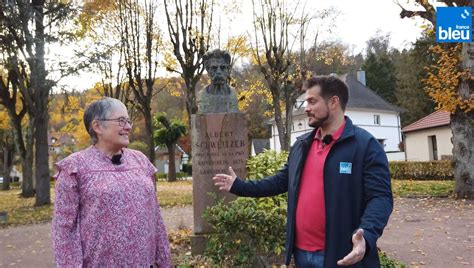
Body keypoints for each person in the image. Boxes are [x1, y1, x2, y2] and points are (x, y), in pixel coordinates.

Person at [213, 75, 393, 267]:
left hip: (341, 256)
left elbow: (381, 198)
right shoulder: (302, 145)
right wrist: (239, 186)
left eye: (312, 101)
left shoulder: (366, 146)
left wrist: (366, 234)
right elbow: (281, 181)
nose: (306, 108)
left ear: (333, 102)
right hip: (301, 254)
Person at [52, 97, 171, 267]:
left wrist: (164, 261)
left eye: (128, 121)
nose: (128, 127)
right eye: (121, 121)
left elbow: (155, 216)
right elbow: (64, 229)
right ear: (98, 126)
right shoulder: (74, 167)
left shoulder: (141, 161)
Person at [197, 49, 239, 113]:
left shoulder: (233, 95)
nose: (218, 72)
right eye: (214, 68)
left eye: (222, 68)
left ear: (228, 70)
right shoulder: (202, 96)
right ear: (208, 70)